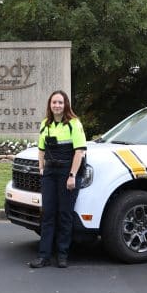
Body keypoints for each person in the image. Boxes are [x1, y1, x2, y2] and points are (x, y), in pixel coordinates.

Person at [29, 90, 87, 269]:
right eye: (54, 102)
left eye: (60, 102)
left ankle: (62, 255)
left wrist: (72, 176)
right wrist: (41, 167)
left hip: (66, 173)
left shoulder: (74, 124)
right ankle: (44, 256)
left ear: (66, 105)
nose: (57, 105)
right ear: (50, 105)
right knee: (47, 215)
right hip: (50, 174)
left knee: (64, 215)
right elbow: (41, 149)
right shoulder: (45, 124)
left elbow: (79, 151)